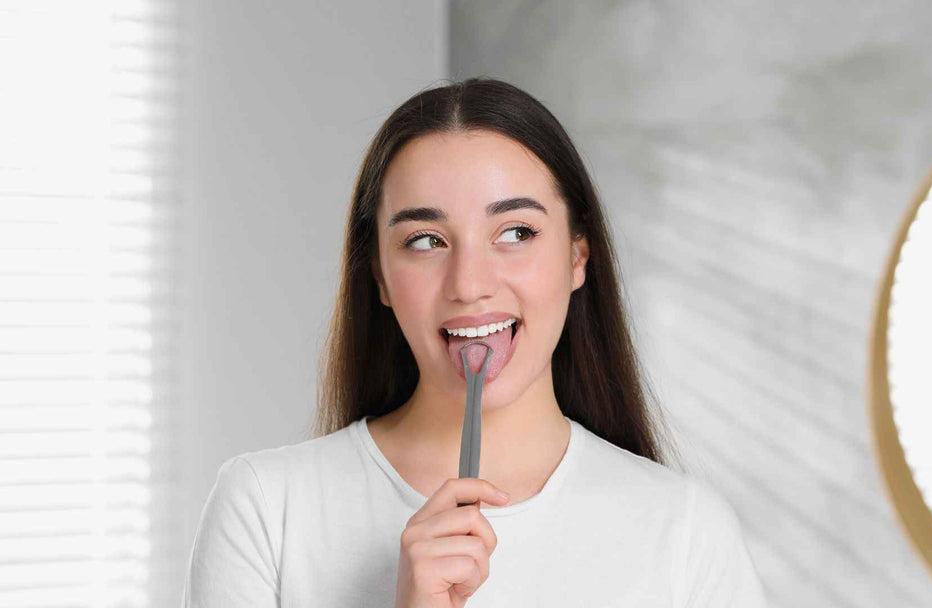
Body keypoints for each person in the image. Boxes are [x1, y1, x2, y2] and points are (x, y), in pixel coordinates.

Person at [181, 77, 767, 607]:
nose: (469, 285)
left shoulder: (685, 529)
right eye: (426, 240)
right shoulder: (264, 510)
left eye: (515, 232)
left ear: (577, 256)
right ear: (380, 277)